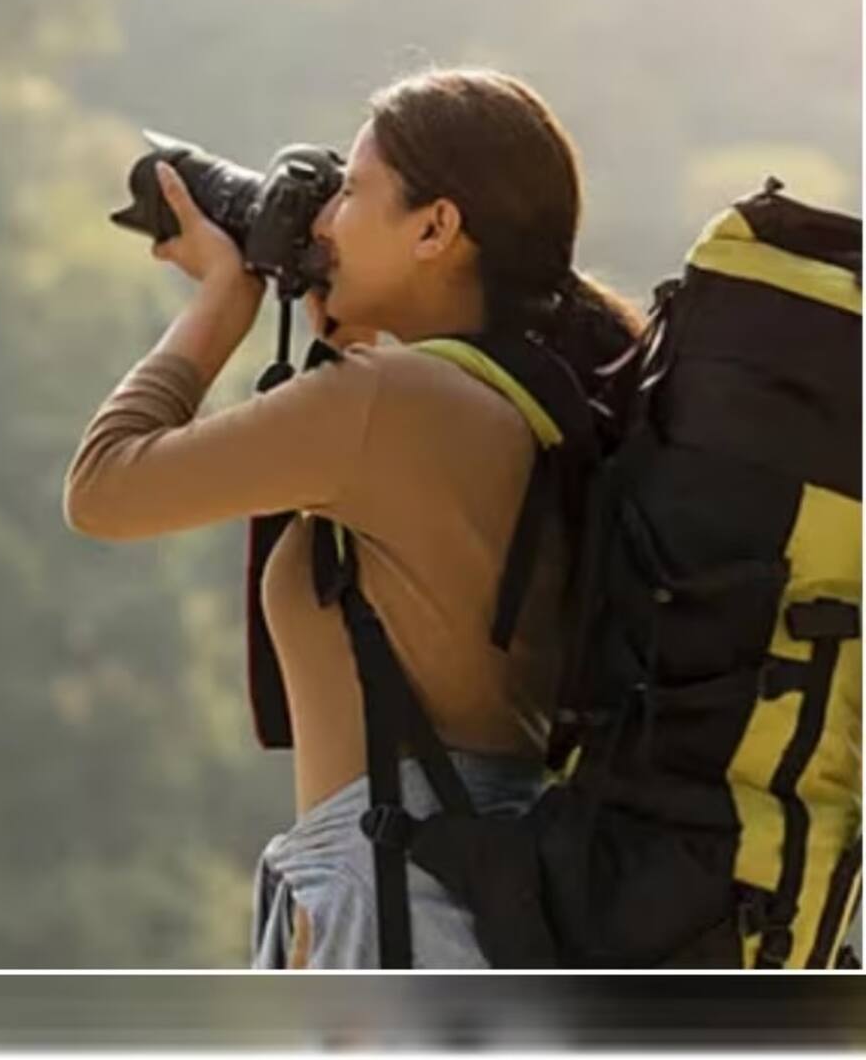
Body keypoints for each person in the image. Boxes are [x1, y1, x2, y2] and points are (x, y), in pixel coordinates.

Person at [63, 67, 644, 968]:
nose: (326, 220)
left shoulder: (390, 401)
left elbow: (103, 487)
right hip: (474, 900)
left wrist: (224, 298)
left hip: (388, 907)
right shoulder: (541, 403)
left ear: (436, 228)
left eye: (352, 193)